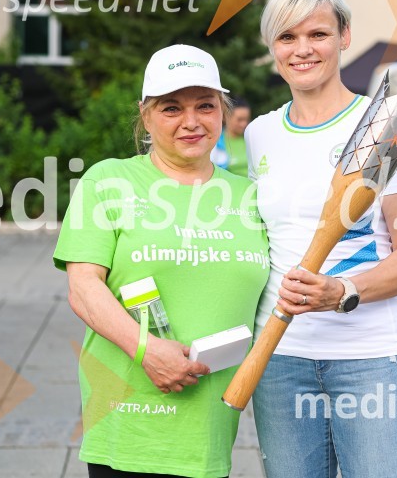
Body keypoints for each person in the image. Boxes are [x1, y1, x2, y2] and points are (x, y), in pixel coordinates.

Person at [53, 44, 269, 478]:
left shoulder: (252, 195)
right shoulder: (108, 180)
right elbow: (83, 288)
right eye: (172, 108)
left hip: (209, 429)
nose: (191, 122)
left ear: (222, 113)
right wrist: (147, 350)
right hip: (128, 419)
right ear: (146, 115)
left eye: (205, 106)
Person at [245, 0, 397, 478]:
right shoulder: (260, 134)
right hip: (280, 360)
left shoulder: (385, 128)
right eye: (287, 37)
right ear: (272, 47)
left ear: (344, 36)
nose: (302, 49)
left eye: (318, 34)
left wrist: (342, 290)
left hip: (369, 361)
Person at [211, 99, 251, 177]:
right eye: (240, 120)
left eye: (246, 119)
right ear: (226, 117)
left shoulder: (251, 139)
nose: (244, 124)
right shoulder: (216, 143)